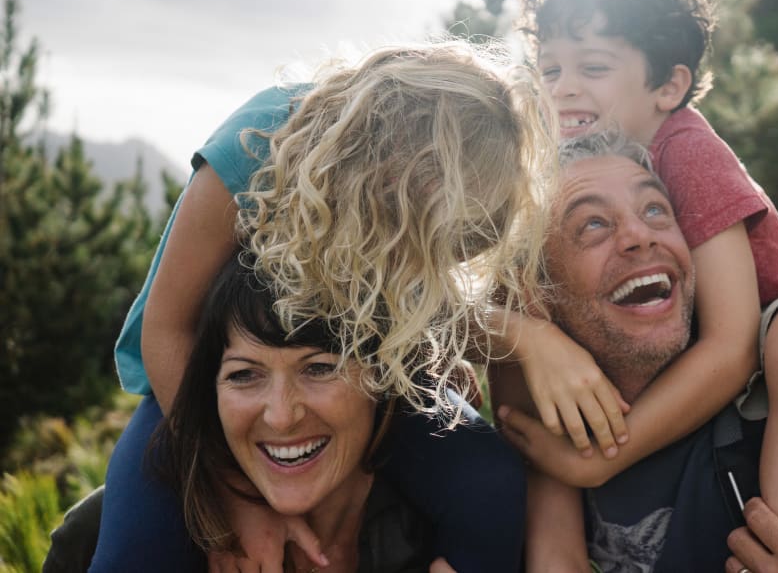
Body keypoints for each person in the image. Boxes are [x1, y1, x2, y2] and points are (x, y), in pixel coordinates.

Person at [89, 41, 552, 572]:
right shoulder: (257, 142)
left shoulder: (447, 198)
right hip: (207, 391)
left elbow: (418, 301)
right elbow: (168, 331)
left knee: (488, 482)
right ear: (392, 154)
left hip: (358, 382)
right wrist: (238, 499)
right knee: (132, 553)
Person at [501, 0, 778, 561]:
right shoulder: (559, 171)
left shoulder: (687, 151)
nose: (562, 89)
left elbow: (731, 347)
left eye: (593, 68)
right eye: (550, 70)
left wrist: (602, 460)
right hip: (719, 349)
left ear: (668, 88)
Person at [494, 132, 778, 571]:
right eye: (593, 224)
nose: (640, 236)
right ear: (537, 289)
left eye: (656, 210)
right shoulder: (544, 450)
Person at [153, 251, 441, 571]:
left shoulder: (458, 540)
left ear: (383, 376)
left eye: (318, 369)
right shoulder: (125, 540)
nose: (281, 417)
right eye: (244, 374)